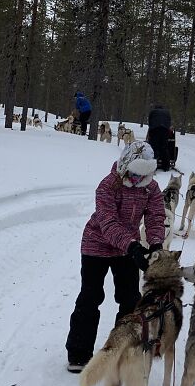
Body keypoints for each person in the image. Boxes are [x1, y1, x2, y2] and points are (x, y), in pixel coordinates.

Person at [65, 140, 165, 372]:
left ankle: (125, 348)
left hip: (126, 248)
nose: (139, 180)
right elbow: (108, 222)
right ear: (126, 165)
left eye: (144, 175)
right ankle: (79, 353)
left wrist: (156, 243)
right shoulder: (108, 185)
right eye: (135, 174)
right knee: (90, 296)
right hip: (96, 245)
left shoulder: (151, 189)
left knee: (130, 298)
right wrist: (133, 247)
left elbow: (155, 216)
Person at [146, 103, 176, 170]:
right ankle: (166, 166)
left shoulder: (153, 112)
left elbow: (150, 122)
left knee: (154, 147)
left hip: (154, 130)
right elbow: (169, 121)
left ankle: (153, 165)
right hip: (165, 130)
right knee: (164, 147)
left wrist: (150, 131)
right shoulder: (167, 112)